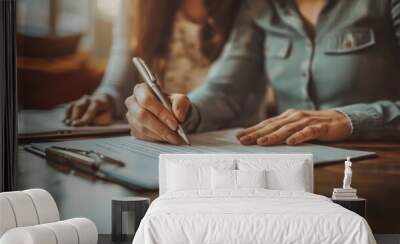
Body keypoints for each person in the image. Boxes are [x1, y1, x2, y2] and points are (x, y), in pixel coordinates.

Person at [127, 0, 400, 145]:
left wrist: (349, 120)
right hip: (298, 172)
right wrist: (179, 112)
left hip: (383, 163)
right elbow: (225, 90)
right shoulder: (259, 6)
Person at [64, 0, 243, 133]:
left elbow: (228, 93)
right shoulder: (136, 4)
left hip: (229, 144)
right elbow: (118, 82)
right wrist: (105, 99)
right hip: (156, 142)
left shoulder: (250, 6)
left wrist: (184, 114)